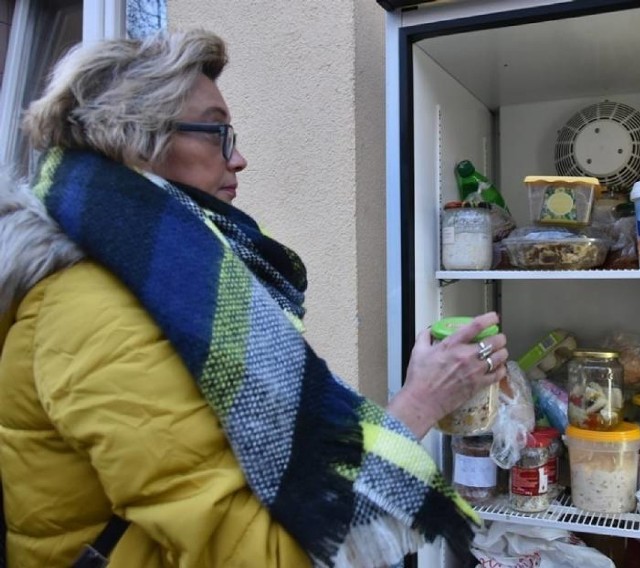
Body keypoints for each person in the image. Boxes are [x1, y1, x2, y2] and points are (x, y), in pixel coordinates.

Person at [0, 29, 508, 567]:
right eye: (217, 132)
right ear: (135, 142)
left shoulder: (165, 283)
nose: (238, 158)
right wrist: (420, 403)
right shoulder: (95, 308)